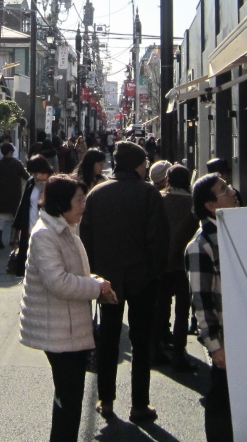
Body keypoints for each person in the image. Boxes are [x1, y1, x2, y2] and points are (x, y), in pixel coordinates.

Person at [19, 175, 117, 442]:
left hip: (70, 328)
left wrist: (96, 283)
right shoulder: (45, 234)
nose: (83, 205)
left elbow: (75, 274)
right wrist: (96, 287)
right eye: (79, 200)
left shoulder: (65, 229)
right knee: (69, 400)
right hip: (59, 330)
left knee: (69, 399)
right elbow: (58, 282)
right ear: (62, 203)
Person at [80, 140, 169, 424]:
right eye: (144, 163)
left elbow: (86, 239)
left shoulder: (97, 193)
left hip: (107, 279)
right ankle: (139, 404)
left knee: (108, 338)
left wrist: (94, 275)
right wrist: (155, 272)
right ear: (137, 165)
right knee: (141, 341)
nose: (145, 168)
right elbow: (159, 239)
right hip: (143, 278)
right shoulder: (148, 193)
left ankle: (105, 399)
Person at [186, 173, 239, 442]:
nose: (233, 192)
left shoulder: (238, 229)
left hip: (245, 331)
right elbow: (201, 299)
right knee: (221, 400)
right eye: (224, 190)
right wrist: (215, 345)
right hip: (226, 337)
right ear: (210, 205)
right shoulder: (201, 244)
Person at [156, 163, 199, 370]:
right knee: (183, 310)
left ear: (168, 179)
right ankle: (179, 354)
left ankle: (157, 346)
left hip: (161, 262)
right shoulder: (193, 204)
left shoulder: (159, 199)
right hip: (184, 262)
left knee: (160, 305)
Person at [12, 154, 54, 259]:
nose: (34, 176)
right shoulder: (31, 183)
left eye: (36, 173)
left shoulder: (54, 183)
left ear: (43, 170)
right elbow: (23, 205)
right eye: (32, 174)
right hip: (30, 228)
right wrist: (17, 230)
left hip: (48, 232)